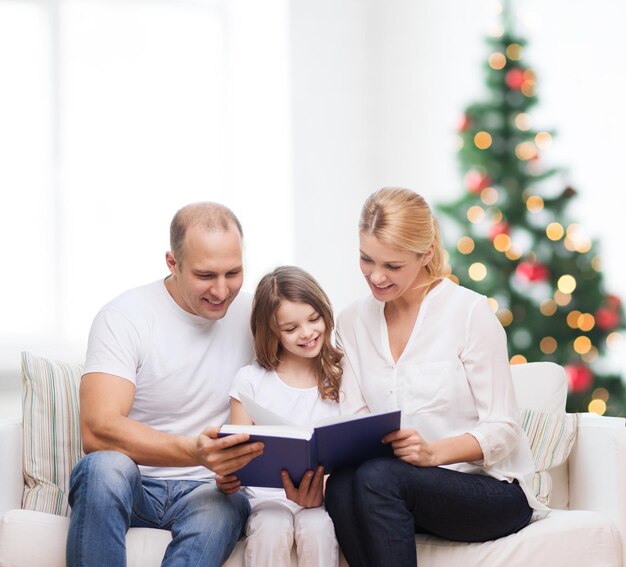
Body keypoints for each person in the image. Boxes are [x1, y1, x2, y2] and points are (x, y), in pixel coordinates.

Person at [324, 187, 549, 567]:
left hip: (489, 489)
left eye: (392, 266)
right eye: (366, 259)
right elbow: (357, 419)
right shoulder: (351, 322)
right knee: (344, 482)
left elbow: (503, 427)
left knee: (379, 477)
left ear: (426, 253)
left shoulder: (469, 313)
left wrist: (432, 453)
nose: (376, 277)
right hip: (395, 486)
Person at [66, 202, 265, 567]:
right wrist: (193, 450)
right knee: (104, 468)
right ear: (172, 263)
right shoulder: (125, 316)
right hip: (134, 484)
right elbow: (98, 430)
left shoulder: (257, 316)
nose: (221, 291)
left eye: (233, 273)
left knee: (224, 506)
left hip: (211, 490)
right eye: (206, 276)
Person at [217, 266, 342, 567]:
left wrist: (323, 490)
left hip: (321, 499)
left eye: (314, 319)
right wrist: (225, 477)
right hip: (266, 499)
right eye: (291, 328)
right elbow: (233, 452)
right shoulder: (251, 380)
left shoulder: (341, 376)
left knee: (319, 527)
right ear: (272, 331)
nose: (308, 333)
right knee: (271, 526)